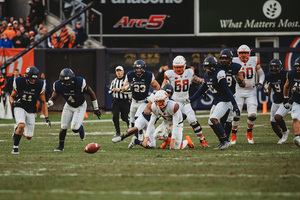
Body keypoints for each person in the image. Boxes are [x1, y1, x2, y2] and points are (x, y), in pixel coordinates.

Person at [190, 56, 240, 150]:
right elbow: (201, 91)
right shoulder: (207, 75)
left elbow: (227, 90)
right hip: (217, 100)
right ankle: (222, 141)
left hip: (225, 100)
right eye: (206, 67)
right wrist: (190, 100)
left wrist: (234, 105)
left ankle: (225, 141)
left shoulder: (219, 73)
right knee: (211, 122)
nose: (207, 69)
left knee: (214, 119)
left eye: (208, 67)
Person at [47, 68, 102, 151]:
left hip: (80, 105)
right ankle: (61, 146)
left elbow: (91, 93)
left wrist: (96, 108)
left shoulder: (79, 83)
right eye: (65, 81)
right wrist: (50, 101)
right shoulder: (58, 85)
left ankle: (81, 129)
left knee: (75, 128)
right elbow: (54, 97)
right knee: (63, 127)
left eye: (69, 81)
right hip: (69, 105)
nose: (67, 83)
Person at [162, 55, 210, 147]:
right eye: (176, 67)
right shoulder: (169, 74)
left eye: (180, 67)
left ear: (184, 66)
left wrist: (208, 83)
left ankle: (202, 140)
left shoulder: (189, 72)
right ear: (173, 66)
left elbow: (199, 80)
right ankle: (170, 141)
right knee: (172, 124)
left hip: (186, 102)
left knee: (193, 121)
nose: (178, 69)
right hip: (174, 103)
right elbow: (162, 88)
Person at [112, 84, 173, 149]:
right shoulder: (155, 96)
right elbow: (147, 110)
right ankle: (121, 137)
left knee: (152, 146)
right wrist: (157, 111)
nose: (167, 94)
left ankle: (136, 141)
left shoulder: (170, 102)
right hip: (145, 118)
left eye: (169, 93)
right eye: (166, 92)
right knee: (136, 127)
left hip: (151, 124)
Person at [10, 66, 51, 154]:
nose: (33, 81)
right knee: (21, 125)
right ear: (27, 77)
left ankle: (17, 130)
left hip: (31, 110)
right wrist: (13, 103)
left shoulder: (40, 84)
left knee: (29, 136)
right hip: (20, 106)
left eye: (34, 79)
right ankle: (15, 148)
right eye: (31, 79)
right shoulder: (19, 81)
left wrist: (46, 117)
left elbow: (43, 101)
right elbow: (12, 97)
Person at [231, 44, 265, 144]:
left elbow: (261, 74)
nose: (244, 55)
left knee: (253, 114)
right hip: (239, 92)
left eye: (246, 53)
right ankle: (233, 135)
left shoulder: (254, 60)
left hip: (251, 91)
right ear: (238, 53)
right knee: (236, 114)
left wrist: (261, 83)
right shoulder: (234, 61)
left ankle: (249, 134)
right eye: (241, 53)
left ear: (249, 53)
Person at [122, 60, 160, 142]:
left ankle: (139, 136)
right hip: (133, 101)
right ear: (134, 68)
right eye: (137, 68)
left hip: (143, 101)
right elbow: (123, 89)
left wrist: (152, 97)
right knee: (131, 121)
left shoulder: (148, 75)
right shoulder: (130, 75)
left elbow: (157, 86)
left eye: (140, 68)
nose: (138, 70)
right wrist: (129, 85)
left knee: (137, 118)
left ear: (143, 68)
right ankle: (135, 137)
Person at [218, 49, 245, 138]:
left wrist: (239, 80)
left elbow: (243, 84)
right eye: (222, 58)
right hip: (220, 96)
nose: (224, 60)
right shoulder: (217, 66)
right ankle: (223, 137)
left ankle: (226, 139)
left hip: (231, 95)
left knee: (229, 119)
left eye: (226, 59)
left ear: (230, 59)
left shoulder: (236, 67)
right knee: (220, 119)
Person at [263, 59, 290, 144]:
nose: (274, 68)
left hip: (286, 100)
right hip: (276, 100)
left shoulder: (285, 74)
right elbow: (268, 93)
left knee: (278, 117)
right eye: (272, 67)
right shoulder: (268, 76)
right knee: (273, 122)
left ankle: (285, 131)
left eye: (276, 66)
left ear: (280, 67)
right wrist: (266, 90)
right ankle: (282, 138)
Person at [109, 66, 131, 136]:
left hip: (125, 101)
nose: (118, 72)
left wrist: (120, 90)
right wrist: (112, 90)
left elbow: (130, 91)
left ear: (123, 72)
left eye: (120, 71)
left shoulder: (127, 81)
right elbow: (109, 91)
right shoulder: (114, 81)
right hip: (116, 101)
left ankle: (130, 127)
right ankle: (117, 132)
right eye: (117, 71)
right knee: (115, 116)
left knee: (124, 117)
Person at [283, 57, 300, 147]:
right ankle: (298, 137)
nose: (298, 69)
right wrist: (286, 98)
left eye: (299, 67)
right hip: (297, 100)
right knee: (295, 118)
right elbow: (286, 86)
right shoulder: (291, 74)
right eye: (297, 67)